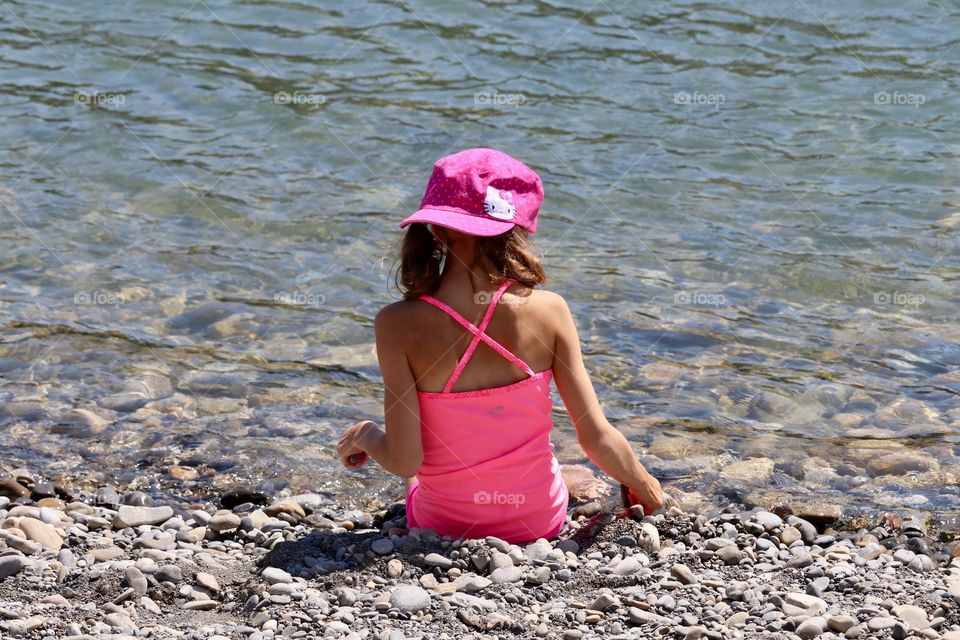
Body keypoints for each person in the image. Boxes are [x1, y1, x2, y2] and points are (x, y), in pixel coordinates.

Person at [338, 148, 663, 543]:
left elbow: (407, 459)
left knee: (414, 476)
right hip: (539, 520)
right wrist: (644, 485)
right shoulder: (550, 310)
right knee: (570, 471)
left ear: (436, 229)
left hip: (441, 523)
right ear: (517, 229)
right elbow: (595, 437)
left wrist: (366, 434)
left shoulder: (396, 323)